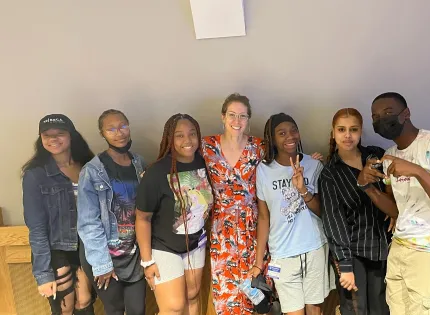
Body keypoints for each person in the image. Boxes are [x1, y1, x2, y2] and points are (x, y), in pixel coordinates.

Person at [201, 93, 323, 315]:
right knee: (227, 294)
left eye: (243, 116)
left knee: (259, 294)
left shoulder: (259, 147)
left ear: (249, 119)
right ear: (222, 116)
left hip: (254, 227)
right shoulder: (207, 147)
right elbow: (182, 161)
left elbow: (287, 155)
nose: (237, 121)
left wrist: (312, 159)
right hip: (223, 231)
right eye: (232, 115)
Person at [371, 92, 430, 315]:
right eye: (375, 116)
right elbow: (398, 211)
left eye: (387, 113)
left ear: (406, 113)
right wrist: (367, 188)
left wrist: (417, 172)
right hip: (401, 248)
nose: (381, 120)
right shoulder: (389, 156)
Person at [249, 113, 335, 315]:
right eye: (282, 133)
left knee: (314, 309)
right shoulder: (264, 170)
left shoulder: (314, 165)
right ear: (272, 138)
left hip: (314, 248)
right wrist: (258, 263)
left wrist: (303, 190)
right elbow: (263, 217)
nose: (290, 137)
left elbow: (325, 212)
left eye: (293, 131)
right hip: (282, 254)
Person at [320, 108, 397, 315]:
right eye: (342, 129)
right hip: (352, 254)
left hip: (383, 249)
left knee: (382, 309)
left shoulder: (376, 156)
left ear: (361, 131)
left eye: (353, 129)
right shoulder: (330, 173)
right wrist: (344, 265)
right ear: (333, 132)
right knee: (356, 310)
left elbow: (395, 188)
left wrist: (394, 208)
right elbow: (333, 221)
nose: (347, 135)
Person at [135, 113, 214, 315]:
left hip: (195, 245)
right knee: (174, 306)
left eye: (192, 134)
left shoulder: (205, 164)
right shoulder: (156, 172)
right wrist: (147, 261)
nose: (187, 140)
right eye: (179, 135)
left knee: (193, 296)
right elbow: (142, 218)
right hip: (164, 248)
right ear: (170, 139)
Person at [22, 114, 95, 315]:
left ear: (71, 136)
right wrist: (43, 275)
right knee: (65, 306)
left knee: (85, 301)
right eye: (47, 135)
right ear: (40, 139)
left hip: (86, 246)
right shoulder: (35, 174)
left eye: (59, 134)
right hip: (56, 249)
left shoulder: (89, 166)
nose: (53, 139)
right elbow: (36, 226)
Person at [77, 109, 146, 315]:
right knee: (114, 309)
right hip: (105, 256)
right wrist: (101, 264)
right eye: (111, 129)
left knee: (137, 309)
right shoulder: (92, 171)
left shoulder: (139, 163)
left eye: (123, 126)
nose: (119, 133)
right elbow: (88, 222)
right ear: (102, 133)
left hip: (134, 256)